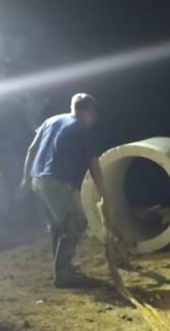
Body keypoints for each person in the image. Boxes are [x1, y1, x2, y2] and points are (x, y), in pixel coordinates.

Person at [19, 93, 106, 288]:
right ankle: (63, 272)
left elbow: (32, 150)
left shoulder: (51, 120)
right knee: (76, 222)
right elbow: (94, 165)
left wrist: (25, 178)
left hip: (37, 179)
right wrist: (103, 192)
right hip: (55, 183)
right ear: (89, 112)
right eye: (94, 114)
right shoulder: (83, 129)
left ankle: (61, 266)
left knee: (59, 226)